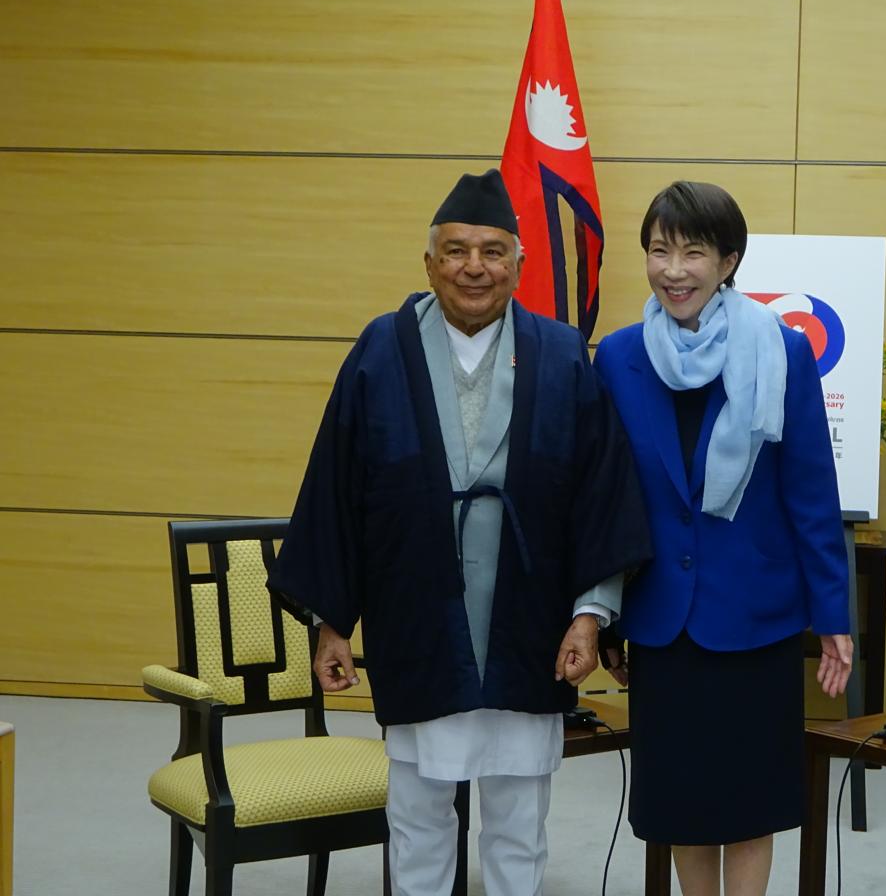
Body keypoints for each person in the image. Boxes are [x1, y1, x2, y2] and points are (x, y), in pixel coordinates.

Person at [268, 169, 651, 896]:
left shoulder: (562, 354)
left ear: (519, 264)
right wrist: (331, 625)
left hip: (530, 626)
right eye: (456, 251)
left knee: (519, 818)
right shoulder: (380, 351)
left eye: (492, 251)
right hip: (418, 622)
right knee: (417, 815)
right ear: (429, 263)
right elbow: (336, 493)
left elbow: (601, 494)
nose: (474, 267)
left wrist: (590, 614)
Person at [593, 180, 854, 896]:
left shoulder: (782, 351)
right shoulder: (619, 357)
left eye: (693, 253)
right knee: (681, 804)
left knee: (748, 804)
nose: (673, 270)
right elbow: (607, 499)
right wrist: (605, 615)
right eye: (659, 251)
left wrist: (832, 614)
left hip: (755, 615)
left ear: (729, 261)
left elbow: (811, 494)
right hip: (660, 615)